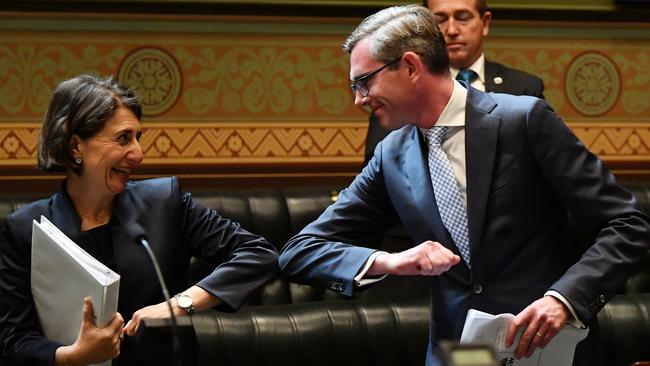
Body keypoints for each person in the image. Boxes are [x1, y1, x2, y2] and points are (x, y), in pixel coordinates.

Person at [278, 5, 650, 366]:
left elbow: (627, 225)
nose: (358, 98)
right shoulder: (390, 155)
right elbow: (300, 251)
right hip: (463, 355)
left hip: (552, 348)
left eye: (364, 81)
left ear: (409, 66)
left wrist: (564, 299)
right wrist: (391, 261)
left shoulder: (523, 121)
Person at [0, 75, 279, 366]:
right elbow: (13, 342)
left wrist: (180, 304)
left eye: (138, 138)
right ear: (75, 146)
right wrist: (72, 357)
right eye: (123, 138)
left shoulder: (165, 202)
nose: (138, 154)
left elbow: (258, 254)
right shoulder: (26, 229)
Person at [363, 0, 544, 166]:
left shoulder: (524, 89)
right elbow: (376, 168)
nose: (451, 30)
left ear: (485, 23)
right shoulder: (399, 92)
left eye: (463, 18)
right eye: (439, 20)